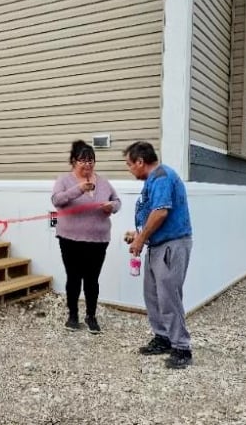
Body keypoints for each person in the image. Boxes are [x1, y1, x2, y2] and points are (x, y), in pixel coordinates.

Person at [124, 141, 194, 369]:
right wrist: (137, 234)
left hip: (171, 246)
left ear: (140, 162)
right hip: (157, 246)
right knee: (153, 295)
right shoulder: (152, 181)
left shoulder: (162, 177)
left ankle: (182, 348)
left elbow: (161, 212)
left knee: (168, 296)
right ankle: (162, 337)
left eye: (129, 164)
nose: (129, 169)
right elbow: (151, 217)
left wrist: (141, 238)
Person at [51, 140, 121, 334]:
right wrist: (79, 189)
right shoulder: (64, 180)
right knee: (73, 277)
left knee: (92, 279)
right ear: (74, 161)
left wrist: (111, 207)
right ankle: (72, 315)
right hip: (70, 238)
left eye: (91, 160)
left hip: (98, 240)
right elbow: (57, 201)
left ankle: (91, 316)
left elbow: (117, 201)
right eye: (83, 160)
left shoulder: (104, 182)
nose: (87, 164)